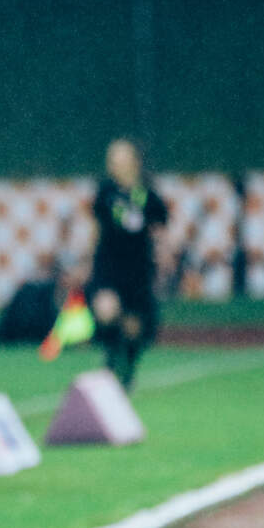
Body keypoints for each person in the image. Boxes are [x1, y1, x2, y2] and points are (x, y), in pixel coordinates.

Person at [83, 138, 168, 389]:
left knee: (133, 327)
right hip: (108, 265)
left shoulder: (148, 194)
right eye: (112, 159)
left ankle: (128, 370)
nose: (115, 165)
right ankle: (109, 364)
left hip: (138, 267)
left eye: (120, 159)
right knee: (106, 310)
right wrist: (87, 262)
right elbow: (95, 228)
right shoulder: (105, 193)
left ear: (134, 162)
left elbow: (160, 229)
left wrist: (164, 256)